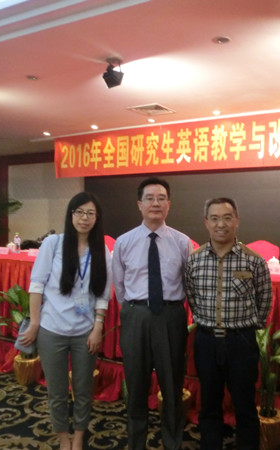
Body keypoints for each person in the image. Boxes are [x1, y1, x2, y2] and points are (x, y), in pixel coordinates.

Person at [20, 192, 112, 450]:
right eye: (79, 212)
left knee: (83, 389)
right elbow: (36, 285)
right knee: (57, 391)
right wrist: (35, 323)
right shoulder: (53, 244)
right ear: (71, 215)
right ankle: (63, 438)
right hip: (52, 330)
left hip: (85, 333)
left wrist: (97, 327)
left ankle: (79, 436)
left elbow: (103, 294)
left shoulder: (101, 250)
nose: (84, 218)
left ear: (97, 218)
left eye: (90, 213)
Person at [184, 197, 272, 450]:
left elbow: (264, 299)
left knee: (245, 405)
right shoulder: (194, 260)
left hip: (241, 342)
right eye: (214, 218)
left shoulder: (254, 261)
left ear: (236, 221)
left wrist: (247, 327)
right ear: (206, 222)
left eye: (226, 218)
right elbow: (192, 298)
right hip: (206, 341)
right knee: (209, 404)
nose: (220, 224)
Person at [112, 176, 192, 450]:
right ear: (139, 204)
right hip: (136, 316)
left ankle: (172, 442)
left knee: (172, 385)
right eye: (149, 198)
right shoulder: (123, 242)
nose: (155, 203)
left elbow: (188, 284)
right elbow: (119, 286)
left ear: (169, 204)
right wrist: (135, 310)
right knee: (136, 385)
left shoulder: (182, 242)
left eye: (161, 198)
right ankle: (136, 443)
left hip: (171, 316)